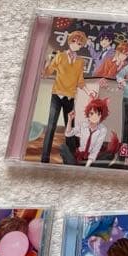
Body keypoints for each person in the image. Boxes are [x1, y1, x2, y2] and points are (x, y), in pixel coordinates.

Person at [40, 30, 88, 163]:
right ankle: (45, 158)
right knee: (51, 126)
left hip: (70, 98)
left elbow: (80, 81)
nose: (76, 44)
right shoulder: (60, 56)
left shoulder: (80, 62)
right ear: (69, 41)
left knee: (70, 127)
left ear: (81, 46)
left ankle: (71, 158)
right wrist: (45, 66)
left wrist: (89, 92)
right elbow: (47, 72)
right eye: (74, 41)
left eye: (79, 43)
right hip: (57, 95)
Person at [59, 98, 118, 168]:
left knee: (109, 155)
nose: (94, 117)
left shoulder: (103, 129)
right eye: (92, 113)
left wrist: (87, 166)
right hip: (79, 156)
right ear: (88, 114)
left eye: (98, 114)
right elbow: (68, 134)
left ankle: (78, 168)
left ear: (101, 115)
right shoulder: (83, 125)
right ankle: (76, 167)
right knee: (63, 147)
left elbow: (96, 148)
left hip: (92, 159)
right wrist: (69, 120)